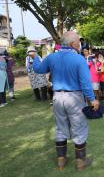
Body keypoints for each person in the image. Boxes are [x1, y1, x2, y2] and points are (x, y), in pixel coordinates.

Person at [32, 31, 99, 170]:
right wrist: (93, 100)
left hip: (57, 97)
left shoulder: (52, 57)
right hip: (74, 98)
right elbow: (86, 83)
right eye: (78, 42)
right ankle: (80, 162)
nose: (80, 44)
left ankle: (61, 160)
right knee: (79, 128)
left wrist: (36, 56)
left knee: (60, 127)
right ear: (72, 43)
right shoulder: (79, 59)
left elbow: (38, 69)